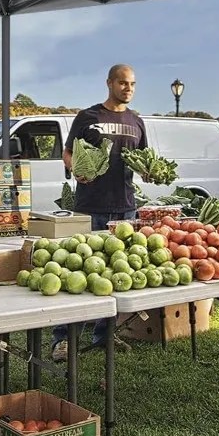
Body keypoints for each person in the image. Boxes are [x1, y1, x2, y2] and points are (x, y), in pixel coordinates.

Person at [50, 64, 148, 361]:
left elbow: (144, 158)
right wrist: (75, 168)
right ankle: (63, 340)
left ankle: (105, 335)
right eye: (122, 83)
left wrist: (150, 171)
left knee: (116, 272)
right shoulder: (88, 117)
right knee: (78, 271)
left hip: (125, 207)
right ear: (109, 83)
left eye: (132, 84)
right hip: (90, 206)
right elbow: (67, 152)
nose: (128, 88)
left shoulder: (137, 121)